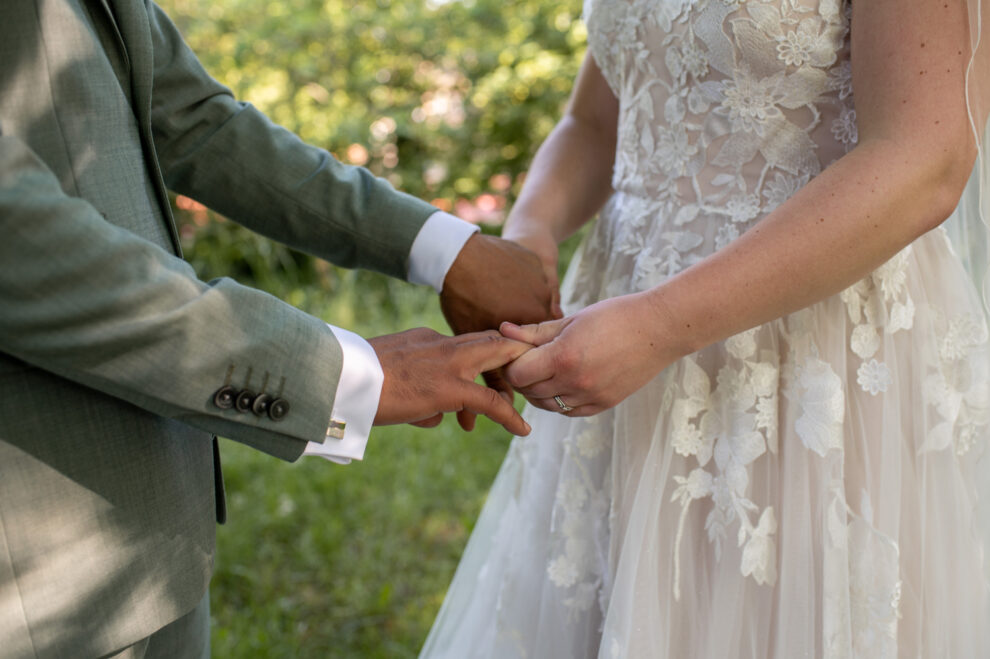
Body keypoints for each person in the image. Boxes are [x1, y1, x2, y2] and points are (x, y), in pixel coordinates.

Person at [423, 0, 990, 656]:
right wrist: (527, 237)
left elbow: (926, 157)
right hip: (618, 327)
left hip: (806, 355)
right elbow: (599, 120)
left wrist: (661, 323)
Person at [0, 1, 556, 657]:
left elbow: (190, 116)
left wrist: (442, 248)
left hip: (152, 536)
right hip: (35, 567)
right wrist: (339, 375)